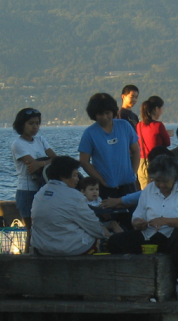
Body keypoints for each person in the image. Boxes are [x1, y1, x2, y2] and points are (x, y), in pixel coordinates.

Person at [107, 155, 178, 301]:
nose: (161, 185)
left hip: (174, 237)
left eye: (164, 181)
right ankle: (127, 284)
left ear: (174, 177)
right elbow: (136, 217)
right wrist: (138, 223)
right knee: (114, 241)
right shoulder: (149, 190)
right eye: (157, 181)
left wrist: (165, 221)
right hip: (150, 236)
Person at [103, 147, 178, 245]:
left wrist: (120, 200)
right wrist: (138, 222)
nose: (159, 184)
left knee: (177, 230)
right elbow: (147, 193)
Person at [79, 93, 140, 228]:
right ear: (94, 114)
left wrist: (133, 172)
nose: (105, 117)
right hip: (105, 188)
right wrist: (101, 180)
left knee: (132, 221)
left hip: (128, 185)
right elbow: (84, 161)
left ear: (113, 111)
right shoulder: (90, 133)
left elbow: (136, 150)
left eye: (108, 113)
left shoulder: (124, 126)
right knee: (109, 222)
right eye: (100, 114)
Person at [30, 156, 111, 256]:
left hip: (43, 247)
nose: (77, 179)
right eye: (75, 175)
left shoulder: (41, 192)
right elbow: (94, 227)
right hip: (68, 248)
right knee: (111, 243)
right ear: (64, 176)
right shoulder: (74, 196)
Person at [11, 107, 57, 253]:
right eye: (31, 123)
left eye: (37, 123)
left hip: (42, 189)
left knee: (43, 228)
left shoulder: (41, 140)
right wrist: (45, 162)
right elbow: (32, 166)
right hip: (27, 191)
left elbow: (56, 159)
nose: (35, 127)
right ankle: (28, 257)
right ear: (22, 125)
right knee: (31, 231)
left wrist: (42, 162)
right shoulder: (18, 144)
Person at [136, 96, 171, 189]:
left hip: (142, 163)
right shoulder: (158, 125)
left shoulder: (139, 125)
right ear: (156, 108)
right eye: (161, 109)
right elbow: (167, 143)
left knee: (145, 192)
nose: (162, 111)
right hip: (156, 162)